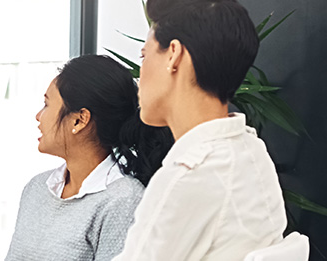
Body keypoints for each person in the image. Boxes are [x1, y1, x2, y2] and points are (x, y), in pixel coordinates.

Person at [114, 0, 287, 259]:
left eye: (144, 55)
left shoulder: (189, 176)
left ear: (173, 54)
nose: (138, 77)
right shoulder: (251, 150)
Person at [6, 55, 174, 260]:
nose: (39, 116)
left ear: (79, 120)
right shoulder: (36, 187)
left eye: (47, 104)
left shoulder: (123, 200)